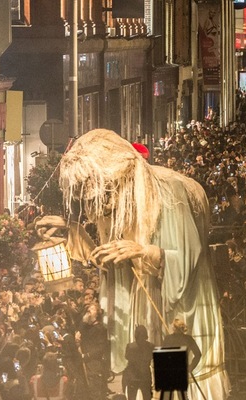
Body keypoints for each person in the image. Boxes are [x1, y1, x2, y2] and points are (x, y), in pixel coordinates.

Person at [39, 129, 229, 399]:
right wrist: (72, 230)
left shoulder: (168, 193)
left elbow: (187, 259)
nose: (97, 205)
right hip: (144, 311)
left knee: (169, 385)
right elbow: (110, 264)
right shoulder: (116, 206)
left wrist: (142, 251)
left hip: (172, 304)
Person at [123, 325, 154, 400]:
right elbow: (152, 357)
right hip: (145, 375)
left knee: (132, 397)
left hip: (133, 376)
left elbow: (127, 357)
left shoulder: (130, 346)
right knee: (147, 397)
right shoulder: (151, 346)